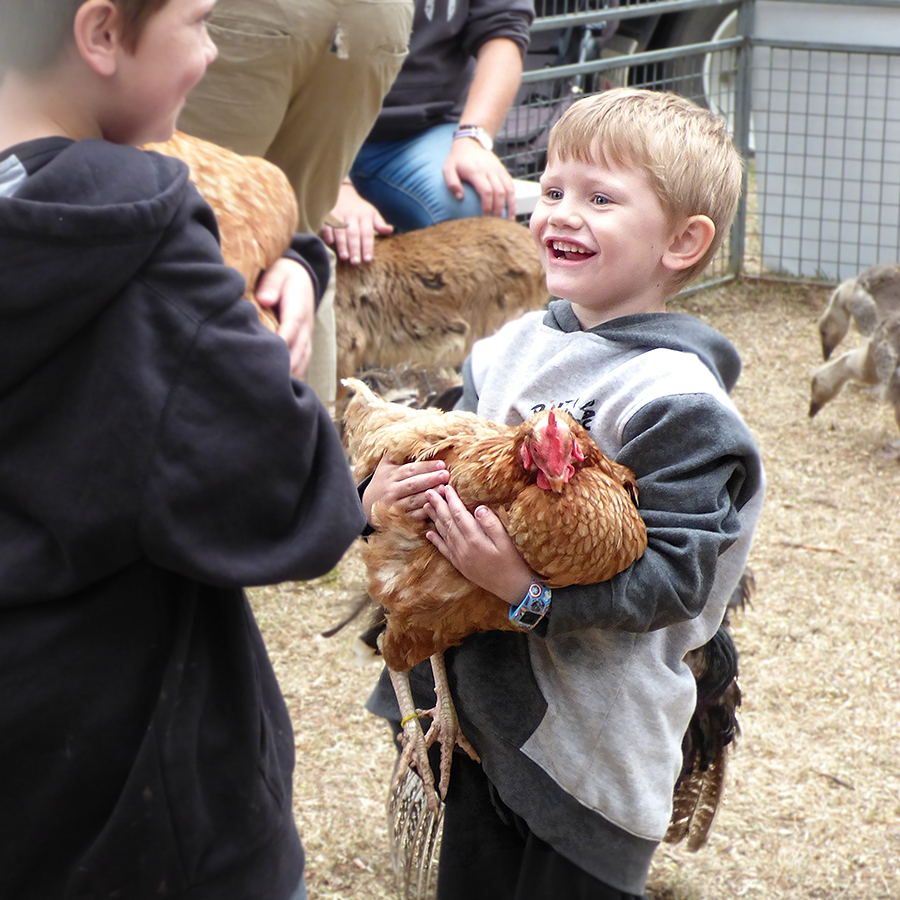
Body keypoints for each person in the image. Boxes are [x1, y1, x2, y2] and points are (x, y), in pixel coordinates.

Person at [362, 87, 765, 899]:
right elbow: (436, 454)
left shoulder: (675, 400)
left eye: (600, 198)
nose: (559, 214)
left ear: (682, 242)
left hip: (595, 732)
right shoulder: (510, 348)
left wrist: (525, 591)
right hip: (477, 715)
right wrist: (379, 498)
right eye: (550, 190)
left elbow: (679, 579)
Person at [0, 2, 365, 899]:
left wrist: (299, 262)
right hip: (129, 794)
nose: (209, 54)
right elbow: (288, 497)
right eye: (200, 23)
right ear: (101, 34)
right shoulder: (139, 242)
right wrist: (234, 329)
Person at [177, 0, 415, 406]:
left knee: (190, 233)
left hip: (255, 16)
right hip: (375, 16)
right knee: (298, 238)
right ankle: (306, 447)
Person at [325, 0, 534, 267]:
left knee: (478, 210)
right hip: (315, 131)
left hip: (420, 133)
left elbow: (504, 29)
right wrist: (331, 184)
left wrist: (474, 137)